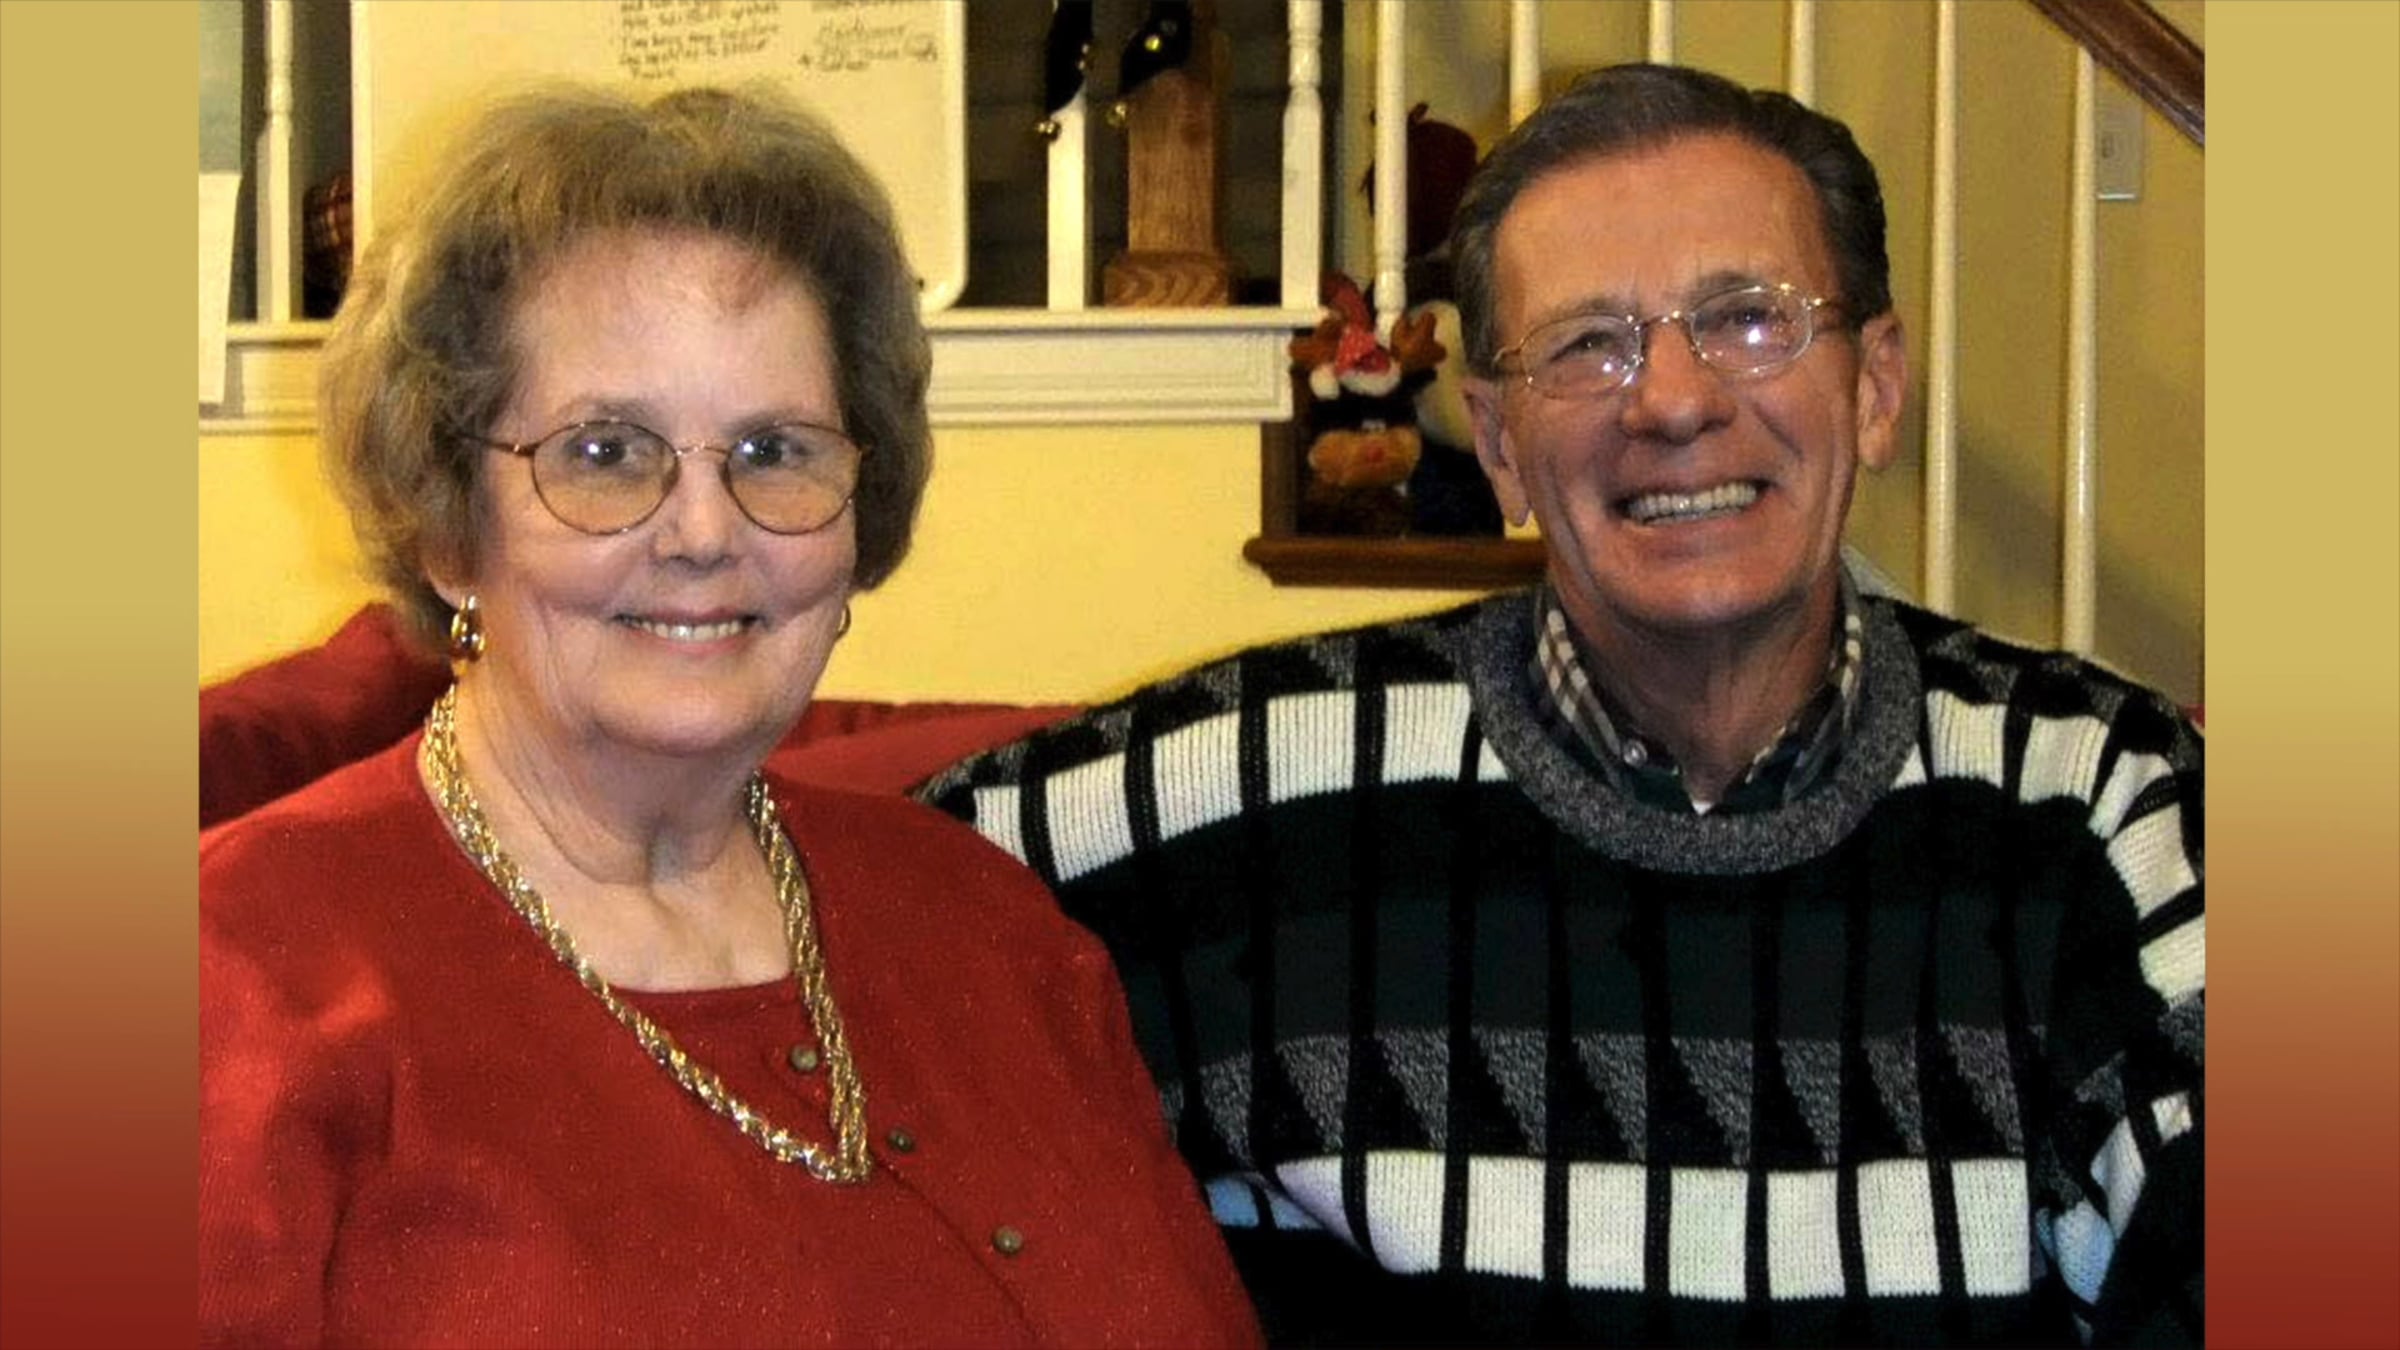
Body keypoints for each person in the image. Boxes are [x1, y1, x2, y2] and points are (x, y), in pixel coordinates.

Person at [923, 63, 2203, 1346]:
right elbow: (843, 911)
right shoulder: (1253, 789)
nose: (1674, 401)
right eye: (1588, 345)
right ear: (1499, 446)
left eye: (1749, 319)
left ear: (1874, 387)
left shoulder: (2098, 802)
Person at [198, 84, 1258, 1348]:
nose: (704, 532)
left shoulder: (993, 930)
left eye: (775, 452)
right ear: (447, 526)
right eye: (604, 453)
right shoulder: (228, 978)